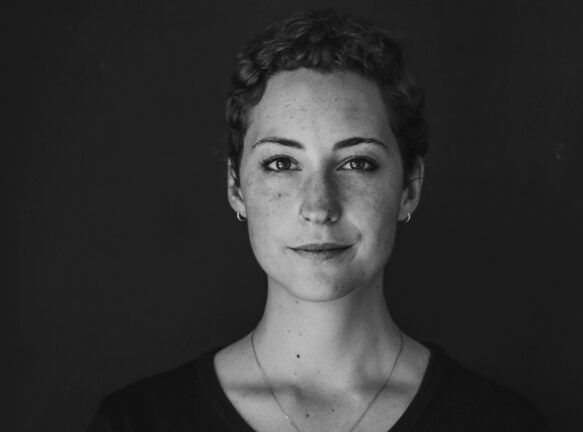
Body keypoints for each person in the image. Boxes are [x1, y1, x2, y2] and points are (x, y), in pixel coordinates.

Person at [88, 9, 550, 432]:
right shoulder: (136, 423)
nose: (318, 206)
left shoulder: (503, 424)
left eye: (357, 163)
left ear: (409, 186)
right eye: (281, 164)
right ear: (236, 187)